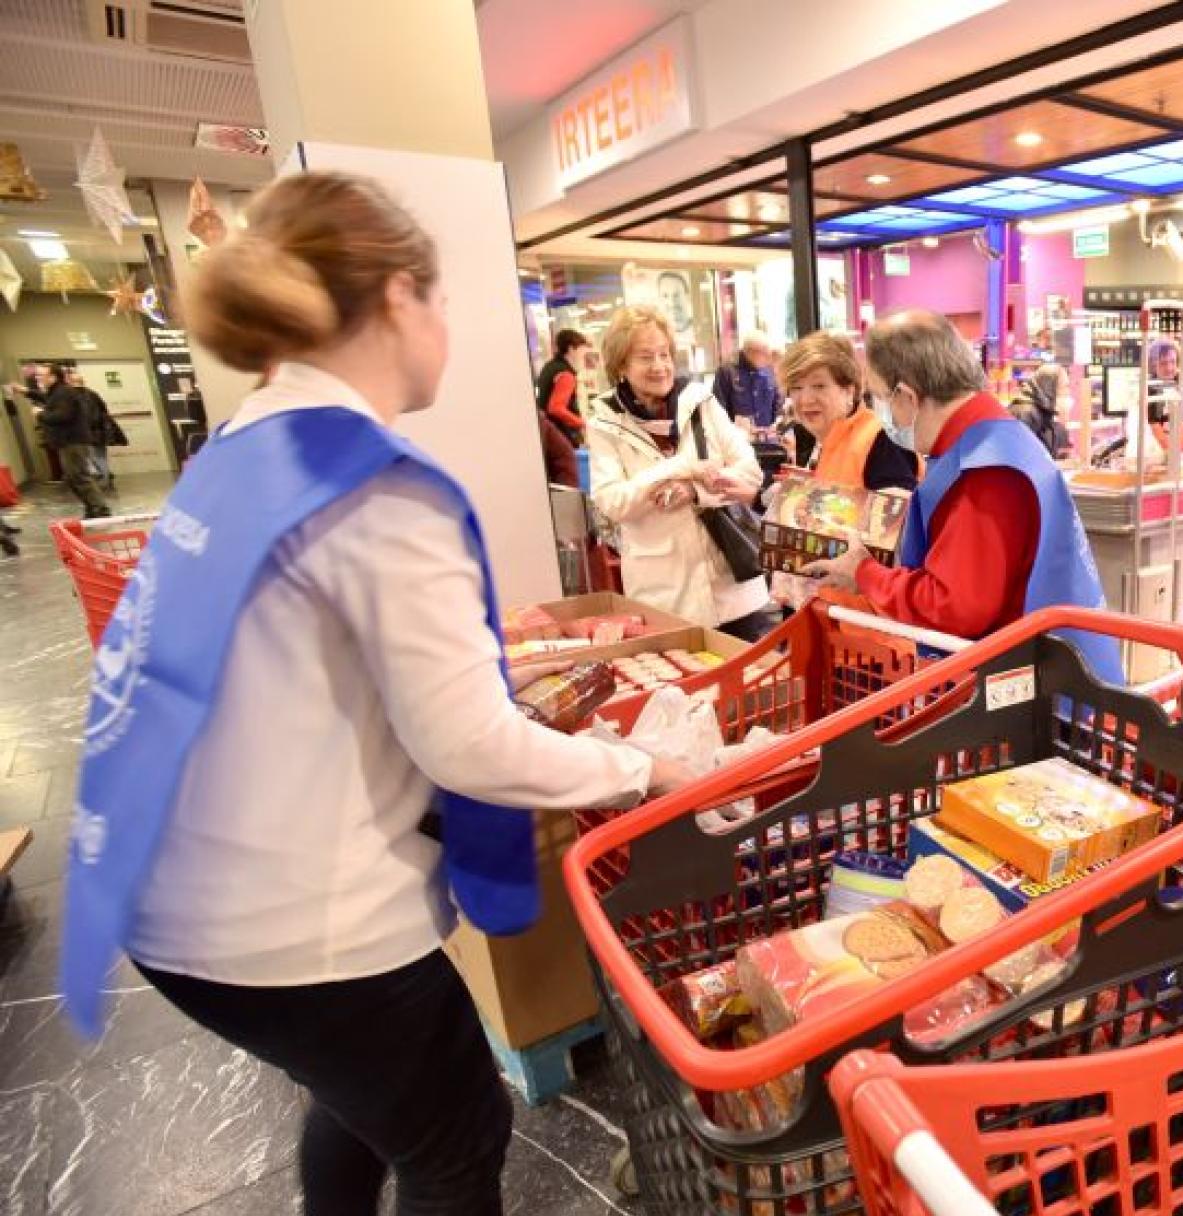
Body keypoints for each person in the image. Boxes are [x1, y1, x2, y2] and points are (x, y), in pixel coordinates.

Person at [60, 171, 676, 1215]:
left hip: (173, 897)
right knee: (454, 1135)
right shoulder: (378, 485)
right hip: (300, 924)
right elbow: (472, 745)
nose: (449, 325)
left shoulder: (246, 448)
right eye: (440, 298)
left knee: (355, 1102)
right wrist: (647, 766)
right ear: (397, 297)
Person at [801, 309, 1121, 680]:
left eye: (878, 398)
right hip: (1051, 673)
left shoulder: (982, 472)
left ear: (906, 395)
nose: (879, 414)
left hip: (1034, 693)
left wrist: (866, 573)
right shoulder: (993, 440)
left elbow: (954, 607)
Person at [586, 306, 777, 640]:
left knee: (751, 683)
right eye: (645, 357)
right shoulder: (604, 423)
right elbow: (613, 502)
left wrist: (695, 491)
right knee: (686, 687)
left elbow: (749, 473)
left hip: (733, 590)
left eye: (664, 354)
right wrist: (683, 466)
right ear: (621, 365)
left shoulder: (700, 402)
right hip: (665, 598)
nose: (659, 367)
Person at [781, 331, 918, 492]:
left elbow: (897, 512)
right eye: (796, 388)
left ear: (849, 391)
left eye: (819, 386)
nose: (806, 399)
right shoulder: (819, 440)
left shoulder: (881, 440)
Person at [37, 363, 112, 518]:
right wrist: (26, 392)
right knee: (74, 477)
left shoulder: (63, 393)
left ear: (52, 377)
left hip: (73, 442)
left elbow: (63, 416)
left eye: (41, 375)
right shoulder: (56, 392)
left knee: (79, 476)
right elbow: (45, 399)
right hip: (69, 442)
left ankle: (99, 507)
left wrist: (40, 414)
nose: (38, 378)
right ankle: (93, 506)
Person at [713, 331, 784, 434]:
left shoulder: (769, 369)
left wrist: (778, 421)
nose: (769, 358)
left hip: (769, 439)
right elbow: (718, 409)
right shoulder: (727, 371)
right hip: (738, 440)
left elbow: (778, 401)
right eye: (765, 354)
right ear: (750, 352)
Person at [534, 329, 590, 446]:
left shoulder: (549, 367)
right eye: (581, 350)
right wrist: (582, 423)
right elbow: (556, 408)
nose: (582, 356)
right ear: (571, 349)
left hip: (544, 431)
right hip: (560, 435)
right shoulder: (565, 374)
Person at [1010, 364, 1069, 459]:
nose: (1066, 392)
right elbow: (1019, 454)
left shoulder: (1042, 411)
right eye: (1063, 387)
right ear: (1049, 387)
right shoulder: (1025, 413)